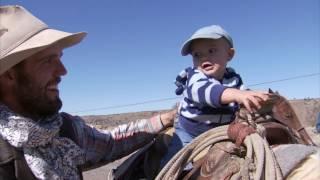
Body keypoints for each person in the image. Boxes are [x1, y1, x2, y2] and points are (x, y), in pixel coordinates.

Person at [0, 5, 176, 180]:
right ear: (9, 74)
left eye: (59, 58)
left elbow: (111, 143)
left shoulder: (64, 130)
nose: (62, 71)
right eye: (47, 61)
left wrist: (164, 119)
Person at [160, 24, 271, 167]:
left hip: (221, 129)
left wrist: (256, 99)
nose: (204, 57)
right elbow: (209, 92)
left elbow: (244, 95)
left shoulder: (233, 78)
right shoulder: (195, 77)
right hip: (190, 130)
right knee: (177, 161)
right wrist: (239, 94)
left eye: (211, 50)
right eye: (197, 55)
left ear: (229, 54)